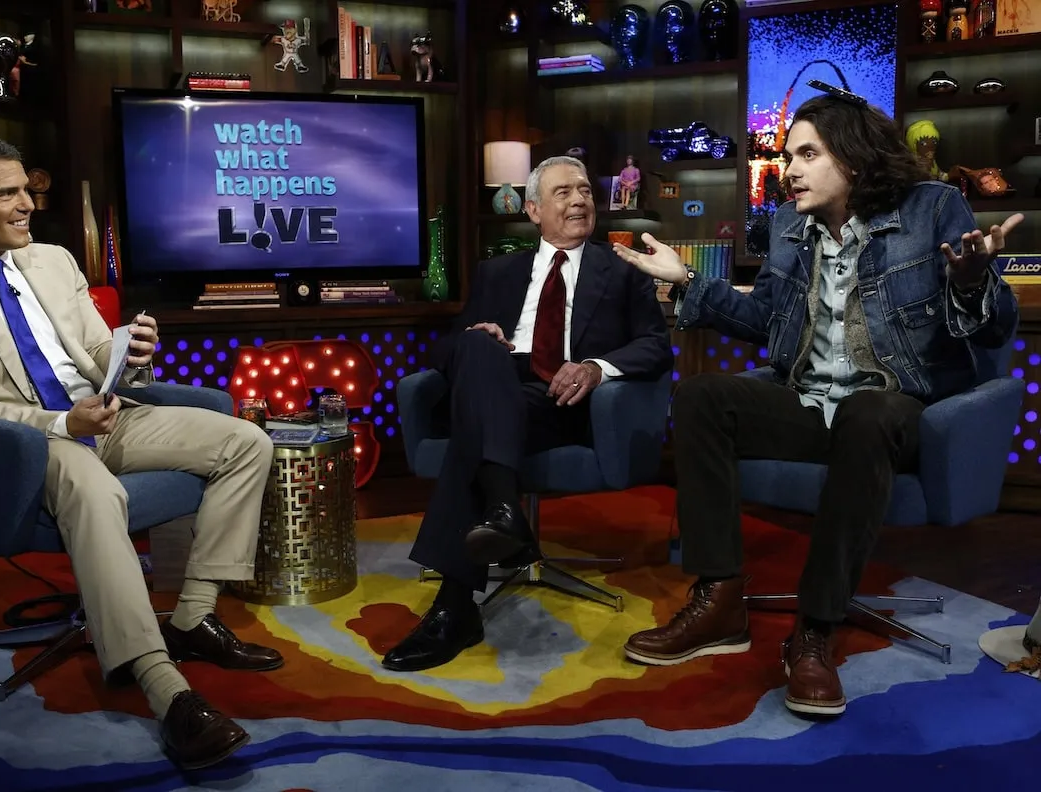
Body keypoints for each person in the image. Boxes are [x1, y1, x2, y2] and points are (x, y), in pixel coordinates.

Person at [0, 132, 280, 770]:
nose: (25, 205)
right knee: (95, 489)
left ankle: (192, 618)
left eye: (26, 191)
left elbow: (95, 357)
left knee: (246, 442)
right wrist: (64, 424)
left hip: (103, 417)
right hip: (30, 441)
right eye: (6, 193)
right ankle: (164, 688)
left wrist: (131, 360)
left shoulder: (54, 260)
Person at [612, 92, 1023, 717]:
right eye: (787, 155)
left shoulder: (932, 208)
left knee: (867, 411)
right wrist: (688, 282)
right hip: (808, 401)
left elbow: (993, 333)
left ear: (854, 161)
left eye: (807, 154)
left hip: (897, 406)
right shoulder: (787, 226)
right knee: (700, 396)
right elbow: (765, 321)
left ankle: (815, 628)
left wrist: (971, 283)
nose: (790, 169)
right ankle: (720, 598)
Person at [381, 155, 673, 672]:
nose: (580, 199)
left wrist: (595, 367)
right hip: (498, 386)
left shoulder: (621, 269)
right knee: (475, 349)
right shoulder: (498, 271)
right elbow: (444, 355)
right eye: (564, 192)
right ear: (534, 210)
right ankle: (502, 511)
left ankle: (454, 608)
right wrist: (480, 340)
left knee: (475, 427)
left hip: (563, 400)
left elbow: (655, 346)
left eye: (585, 189)